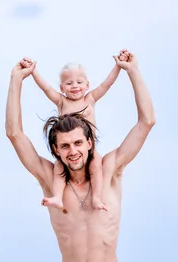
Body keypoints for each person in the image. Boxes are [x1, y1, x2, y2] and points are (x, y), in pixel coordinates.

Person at [5, 49, 155, 262]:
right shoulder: (49, 180)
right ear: (56, 151)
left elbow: (146, 122)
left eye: (78, 143)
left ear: (90, 142)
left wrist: (132, 71)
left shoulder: (113, 171)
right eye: (64, 146)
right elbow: (15, 134)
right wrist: (16, 81)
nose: (72, 151)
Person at [19, 56, 122, 212]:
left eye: (79, 82)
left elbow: (107, 84)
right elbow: (45, 87)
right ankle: (58, 198)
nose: (75, 86)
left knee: (96, 164)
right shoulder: (61, 102)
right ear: (62, 87)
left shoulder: (90, 98)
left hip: (88, 151)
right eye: (69, 83)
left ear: (87, 84)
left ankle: (96, 197)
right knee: (58, 166)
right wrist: (33, 71)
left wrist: (118, 67)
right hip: (68, 152)